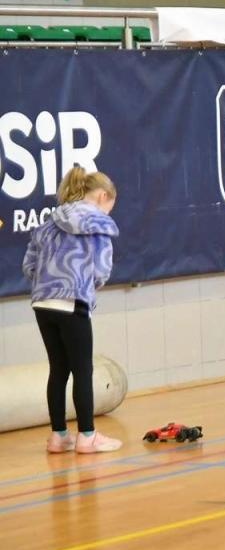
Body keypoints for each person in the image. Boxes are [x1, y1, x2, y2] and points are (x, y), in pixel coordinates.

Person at [22, 165, 121, 453]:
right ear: (103, 196)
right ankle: (87, 436)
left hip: (42, 302)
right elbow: (102, 271)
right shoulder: (98, 224)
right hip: (72, 300)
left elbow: (28, 266)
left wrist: (50, 282)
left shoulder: (49, 222)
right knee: (82, 370)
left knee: (58, 369)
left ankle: (58, 436)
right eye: (110, 206)